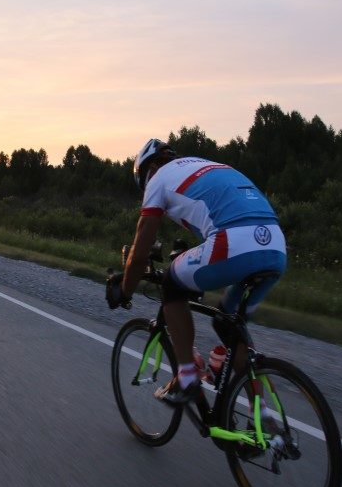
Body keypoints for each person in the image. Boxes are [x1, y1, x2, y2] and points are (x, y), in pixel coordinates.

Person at [107, 138, 287, 405]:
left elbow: (140, 248)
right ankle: (266, 418)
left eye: (144, 181)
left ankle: (188, 378)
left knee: (172, 283)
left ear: (150, 168)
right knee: (228, 325)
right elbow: (218, 218)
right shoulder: (205, 165)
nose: (147, 186)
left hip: (233, 243)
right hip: (275, 244)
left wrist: (124, 290)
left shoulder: (159, 178)